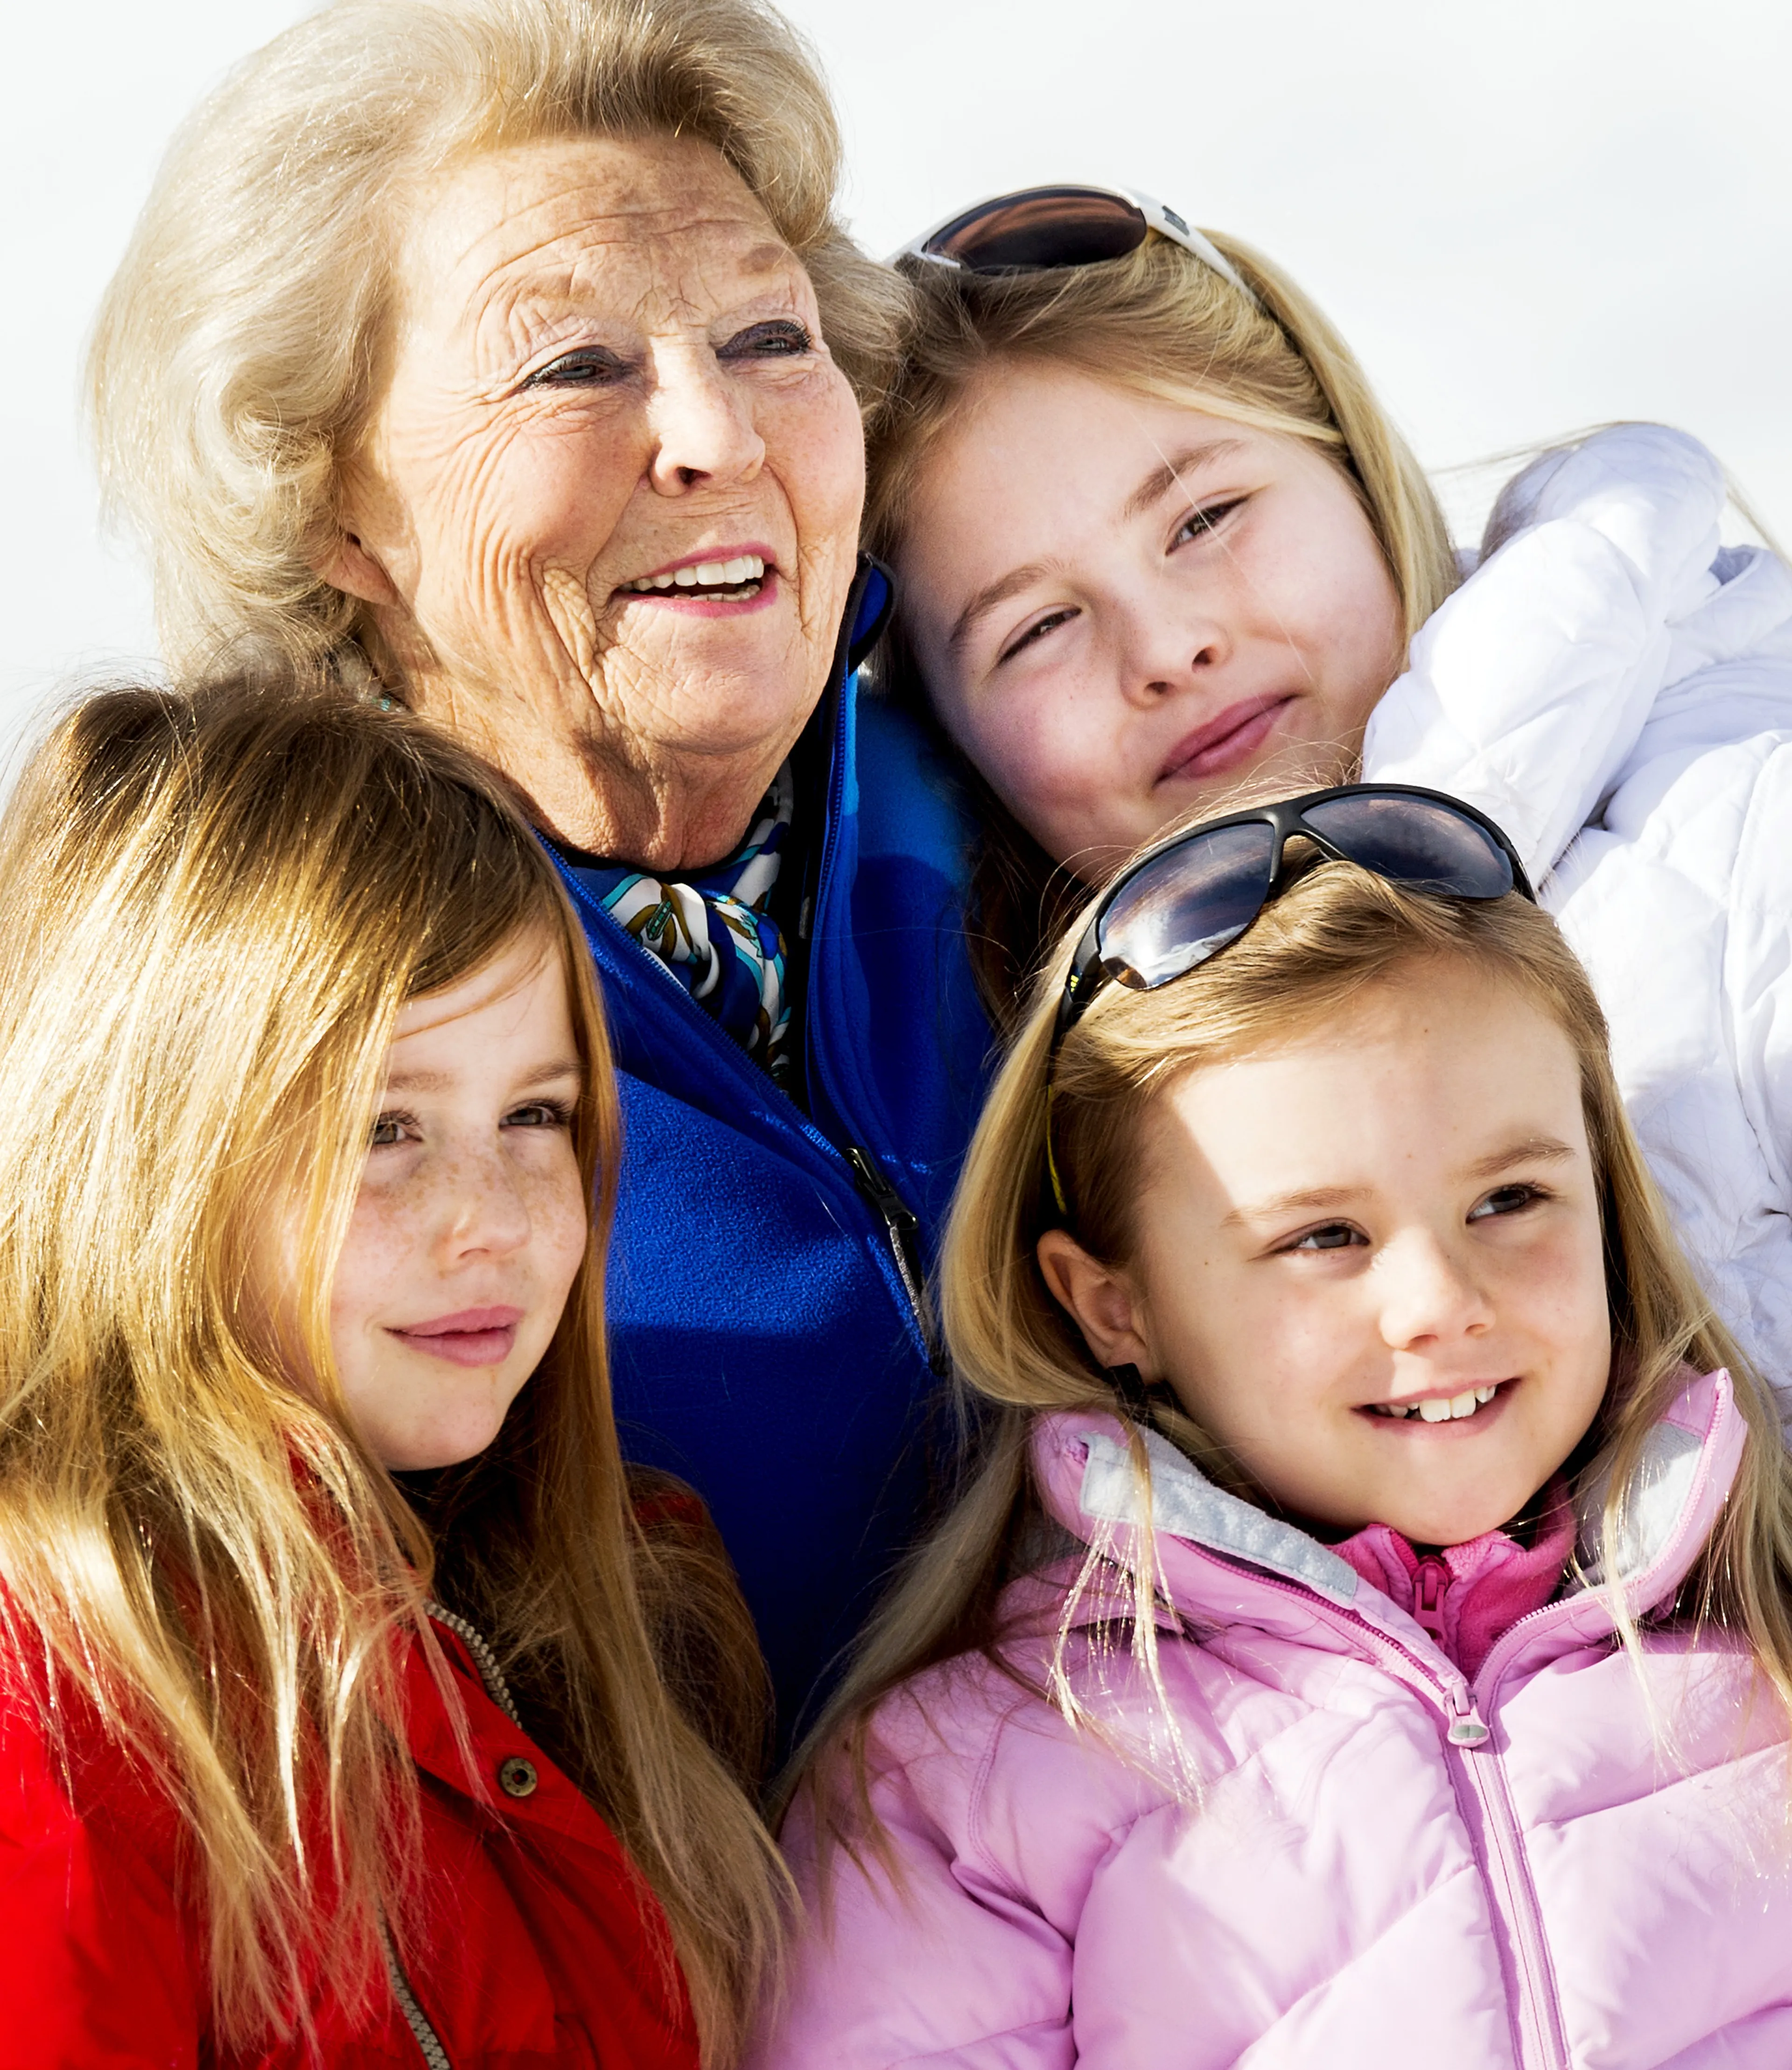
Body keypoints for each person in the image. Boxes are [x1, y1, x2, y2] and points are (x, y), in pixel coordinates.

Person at [86, 0, 991, 1735]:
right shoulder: (238, 1013)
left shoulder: (1022, 786)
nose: (718, 435)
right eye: (574, 366)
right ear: (334, 508)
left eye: (771, 337)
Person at [752, 796, 1792, 2066]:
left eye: (1510, 1198)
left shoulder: (1769, 1641)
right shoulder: (970, 1785)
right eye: (1323, 1236)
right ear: (1117, 1305)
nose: (1439, 1302)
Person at [864, 185, 1792, 1405]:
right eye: (1038, 628)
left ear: (1347, 463)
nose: (1168, 647)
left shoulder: (1744, 834)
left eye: (1204, 519)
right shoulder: (1052, 1115)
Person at [0, 683, 783, 2066]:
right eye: (383, 1126)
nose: (494, 1219)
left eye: (535, 1113)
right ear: (148, 1154)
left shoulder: (608, 1600)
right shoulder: (62, 1695)